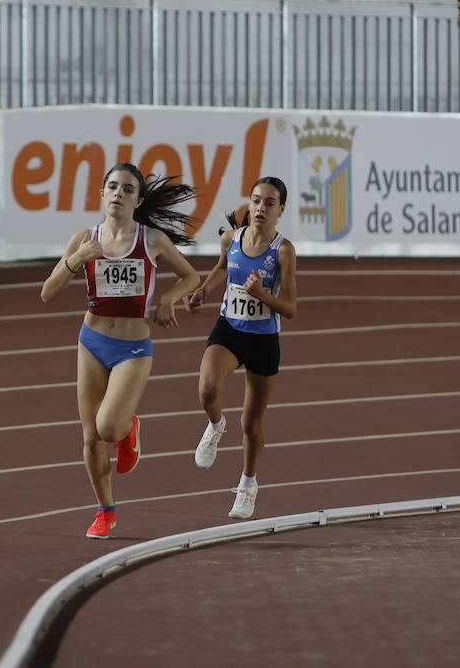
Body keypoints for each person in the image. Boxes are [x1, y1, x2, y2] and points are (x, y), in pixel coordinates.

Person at [41, 162, 202, 540]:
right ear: (101, 194)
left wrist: (169, 299)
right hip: (91, 341)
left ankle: (129, 428)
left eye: (127, 189)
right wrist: (74, 260)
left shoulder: (152, 240)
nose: (118, 193)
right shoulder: (84, 238)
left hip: (133, 346)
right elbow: (47, 293)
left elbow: (191, 276)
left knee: (108, 427)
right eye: (111, 186)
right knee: (90, 437)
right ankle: (105, 510)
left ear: (138, 200)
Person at [185, 177, 299, 520]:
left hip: (263, 339)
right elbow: (222, 267)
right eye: (256, 200)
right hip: (230, 329)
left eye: (269, 203)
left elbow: (290, 308)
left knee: (251, 423)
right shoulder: (231, 238)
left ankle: (248, 484)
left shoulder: (283, 250)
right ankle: (217, 425)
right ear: (248, 204)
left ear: (281, 210)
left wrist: (263, 295)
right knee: (207, 387)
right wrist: (204, 290)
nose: (260, 208)